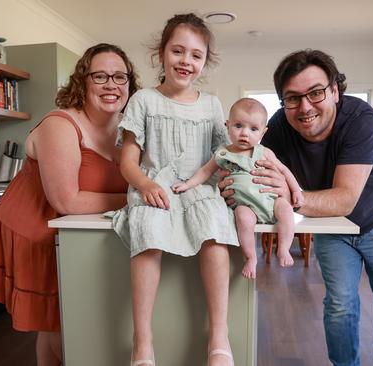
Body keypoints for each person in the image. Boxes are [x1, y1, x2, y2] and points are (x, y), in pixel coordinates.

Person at [232, 49, 373, 366]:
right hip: (331, 223)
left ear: (335, 90)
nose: (305, 107)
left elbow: (344, 198)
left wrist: (289, 195)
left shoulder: (361, 120)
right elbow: (252, 176)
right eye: (292, 98)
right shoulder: (278, 129)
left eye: (315, 93)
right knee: (340, 303)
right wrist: (233, 186)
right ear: (283, 102)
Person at [0, 43, 140, 366]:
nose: (111, 84)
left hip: (75, 233)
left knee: (66, 318)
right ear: (82, 82)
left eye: (120, 77)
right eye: (100, 76)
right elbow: (66, 200)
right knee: (61, 323)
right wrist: (137, 197)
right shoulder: (61, 125)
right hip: (37, 229)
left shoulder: (126, 130)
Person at [112, 13, 237, 366]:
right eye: (178, 51)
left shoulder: (212, 104)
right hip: (154, 186)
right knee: (148, 233)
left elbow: (222, 156)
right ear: (162, 53)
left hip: (198, 186)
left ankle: (218, 336)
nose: (186, 61)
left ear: (204, 61)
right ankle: (143, 342)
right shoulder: (143, 101)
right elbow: (128, 163)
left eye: (196, 55)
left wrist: (226, 186)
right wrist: (146, 184)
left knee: (214, 232)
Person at [172, 97, 304, 279]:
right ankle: (250, 257)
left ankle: (283, 248)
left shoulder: (265, 152)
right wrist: (187, 184)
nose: (245, 133)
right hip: (246, 205)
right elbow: (205, 171)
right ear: (227, 125)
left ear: (263, 133)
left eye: (253, 129)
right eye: (238, 126)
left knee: (287, 211)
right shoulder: (223, 153)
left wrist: (296, 191)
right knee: (242, 218)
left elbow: (284, 170)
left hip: (271, 201)